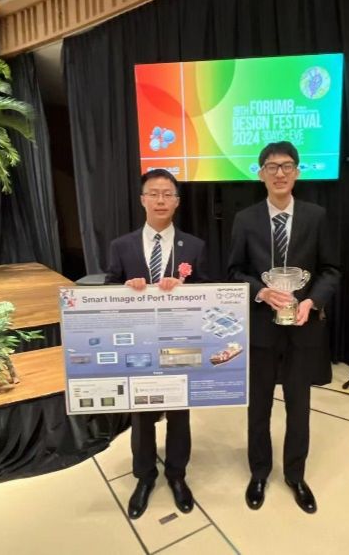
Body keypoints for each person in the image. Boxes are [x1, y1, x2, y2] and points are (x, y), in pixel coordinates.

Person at [227, 141, 340, 514]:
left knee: (299, 406)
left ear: (297, 172)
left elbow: (331, 270)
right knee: (258, 406)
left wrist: (312, 301)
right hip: (261, 328)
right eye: (272, 167)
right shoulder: (245, 219)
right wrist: (261, 292)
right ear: (260, 174)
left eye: (287, 166)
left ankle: (295, 475)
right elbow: (234, 272)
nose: (280, 173)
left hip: (303, 327)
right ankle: (259, 472)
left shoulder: (316, 216)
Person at [106, 168, 210, 519]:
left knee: (180, 413)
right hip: (138, 347)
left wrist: (185, 289)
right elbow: (108, 290)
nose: (161, 200)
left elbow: (207, 292)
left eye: (168, 194)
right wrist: (125, 289)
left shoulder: (194, 246)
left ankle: (177, 475)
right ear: (142, 199)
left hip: (180, 343)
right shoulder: (121, 246)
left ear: (177, 202)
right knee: (141, 416)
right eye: (154, 193)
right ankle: (144, 476)